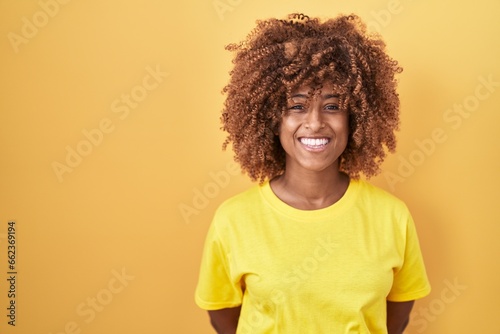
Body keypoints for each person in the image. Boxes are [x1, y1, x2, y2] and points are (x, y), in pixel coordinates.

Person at [195, 13, 431, 334]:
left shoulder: (392, 216)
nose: (315, 122)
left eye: (332, 106)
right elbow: (222, 314)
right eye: (297, 105)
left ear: (356, 118)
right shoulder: (234, 219)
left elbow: (398, 316)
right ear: (273, 119)